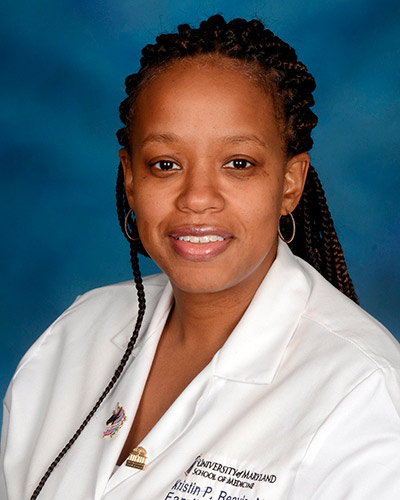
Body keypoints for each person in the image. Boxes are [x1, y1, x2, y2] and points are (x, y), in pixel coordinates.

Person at [1, 15, 400, 500]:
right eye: (165, 164)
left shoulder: (364, 391)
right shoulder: (73, 337)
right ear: (131, 178)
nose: (197, 198)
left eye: (239, 164)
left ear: (289, 183)